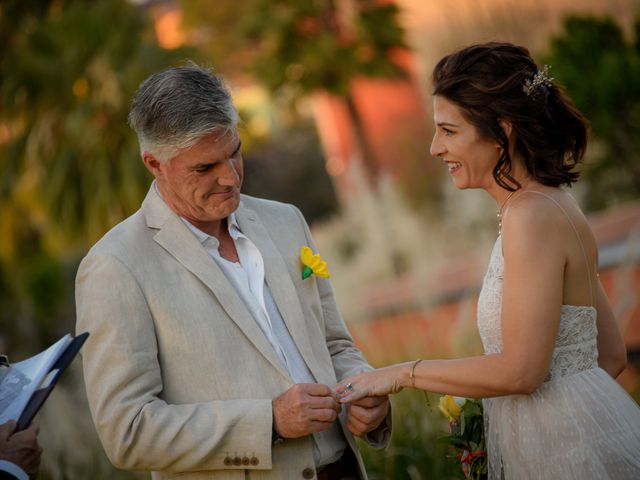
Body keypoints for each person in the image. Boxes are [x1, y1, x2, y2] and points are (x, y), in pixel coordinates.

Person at [335, 42, 640, 479]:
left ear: (502, 130)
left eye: (449, 131)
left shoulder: (529, 217)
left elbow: (521, 372)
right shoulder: (554, 205)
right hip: (581, 444)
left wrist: (401, 373)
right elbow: (610, 355)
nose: (434, 148)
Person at [75, 63, 391, 480]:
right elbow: (127, 432)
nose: (231, 177)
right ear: (154, 164)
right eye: (205, 168)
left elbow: (334, 344)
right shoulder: (115, 266)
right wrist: (269, 422)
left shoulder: (286, 221)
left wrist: (364, 390)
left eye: (235, 152)